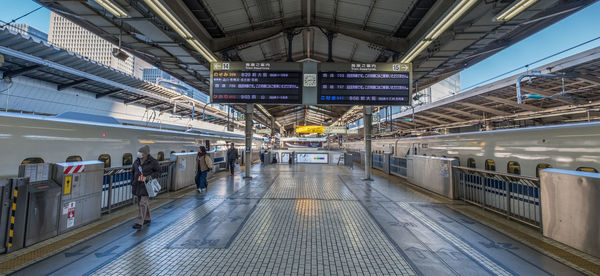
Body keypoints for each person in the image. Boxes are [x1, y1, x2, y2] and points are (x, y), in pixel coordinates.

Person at [131, 145, 159, 230]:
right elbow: (132, 172)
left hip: (147, 184)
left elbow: (159, 172)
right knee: (140, 202)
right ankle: (147, 218)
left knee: (142, 203)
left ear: (146, 153)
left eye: (141, 152)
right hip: (137, 184)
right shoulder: (136, 162)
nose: (139, 153)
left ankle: (139, 222)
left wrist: (148, 177)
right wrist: (132, 182)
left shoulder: (153, 162)